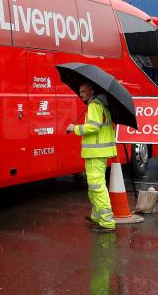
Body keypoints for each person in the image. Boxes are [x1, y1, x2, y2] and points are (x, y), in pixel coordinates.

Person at [66, 82, 117, 233]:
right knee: (94, 187)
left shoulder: (95, 105)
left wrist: (74, 128)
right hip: (97, 152)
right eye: (80, 91)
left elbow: (94, 127)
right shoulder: (100, 104)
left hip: (96, 153)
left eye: (83, 91)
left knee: (97, 187)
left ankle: (107, 222)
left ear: (92, 91)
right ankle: (97, 216)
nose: (80, 94)